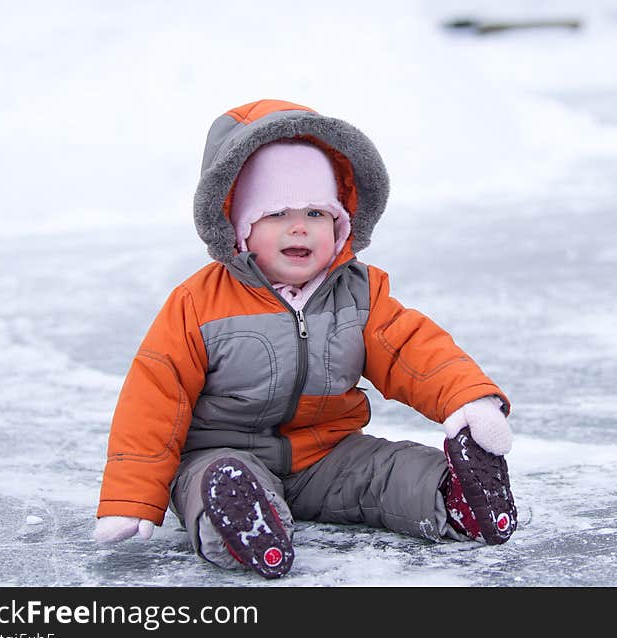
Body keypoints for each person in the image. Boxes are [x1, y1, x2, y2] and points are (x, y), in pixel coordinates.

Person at [93, 99, 518, 578]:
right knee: (206, 484)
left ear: (340, 224)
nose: (300, 226)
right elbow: (154, 399)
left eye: (317, 211)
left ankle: (458, 500)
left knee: (387, 469)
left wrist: (469, 399)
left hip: (329, 454)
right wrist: (131, 498)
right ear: (239, 227)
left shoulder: (359, 292)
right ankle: (242, 525)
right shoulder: (198, 304)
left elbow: (413, 350)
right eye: (277, 213)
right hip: (223, 454)